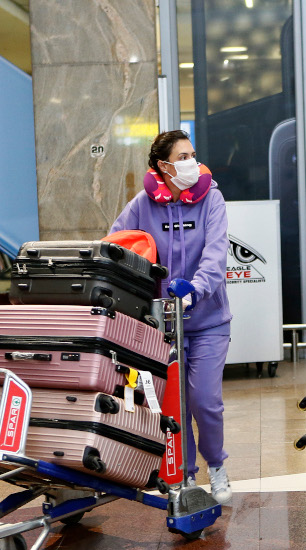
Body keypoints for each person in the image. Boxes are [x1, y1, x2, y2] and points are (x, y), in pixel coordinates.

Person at [109, 130, 233, 504]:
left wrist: (195, 288)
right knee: (174, 406)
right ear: (163, 166)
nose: (192, 162)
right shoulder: (142, 205)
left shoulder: (211, 199)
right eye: (183, 156)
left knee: (205, 399)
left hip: (209, 321)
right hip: (163, 327)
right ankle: (186, 475)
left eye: (193, 154)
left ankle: (217, 466)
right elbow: (116, 245)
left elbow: (216, 255)